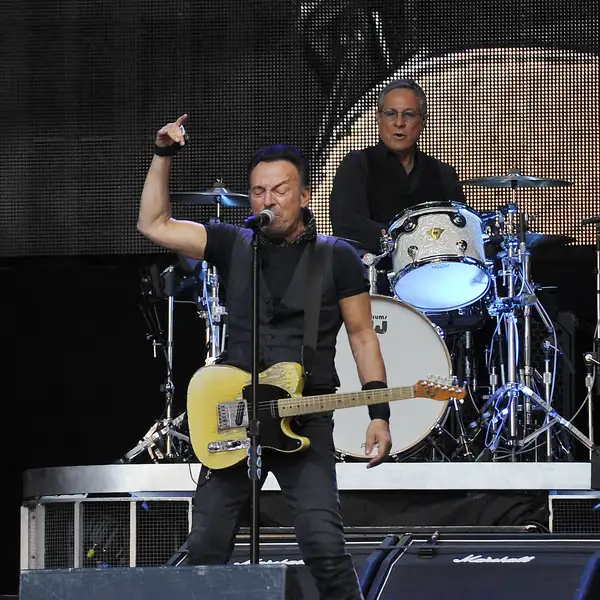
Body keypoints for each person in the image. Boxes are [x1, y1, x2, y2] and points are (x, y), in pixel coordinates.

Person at [137, 114, 393, 600]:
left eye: (279, 190)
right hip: (235, 414)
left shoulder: (337, 256)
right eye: (258, 191)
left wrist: (378, 413)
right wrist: (163, 154)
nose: (268, 200)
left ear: (305, 195)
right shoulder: (233, 242)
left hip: (304, 416)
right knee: (206, 545)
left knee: (324, 546)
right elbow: (154, 224)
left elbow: (363, 337)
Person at [329, 78, 467, 264]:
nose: (399, 123)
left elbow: (459, 230)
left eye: (409, 115)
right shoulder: (357, 164)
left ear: (423, 121)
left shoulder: (444, 173)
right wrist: (403, 236)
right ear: (378, 118)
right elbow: (346, 224)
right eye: (391, 113)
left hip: (433, 274)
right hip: (372, 275)